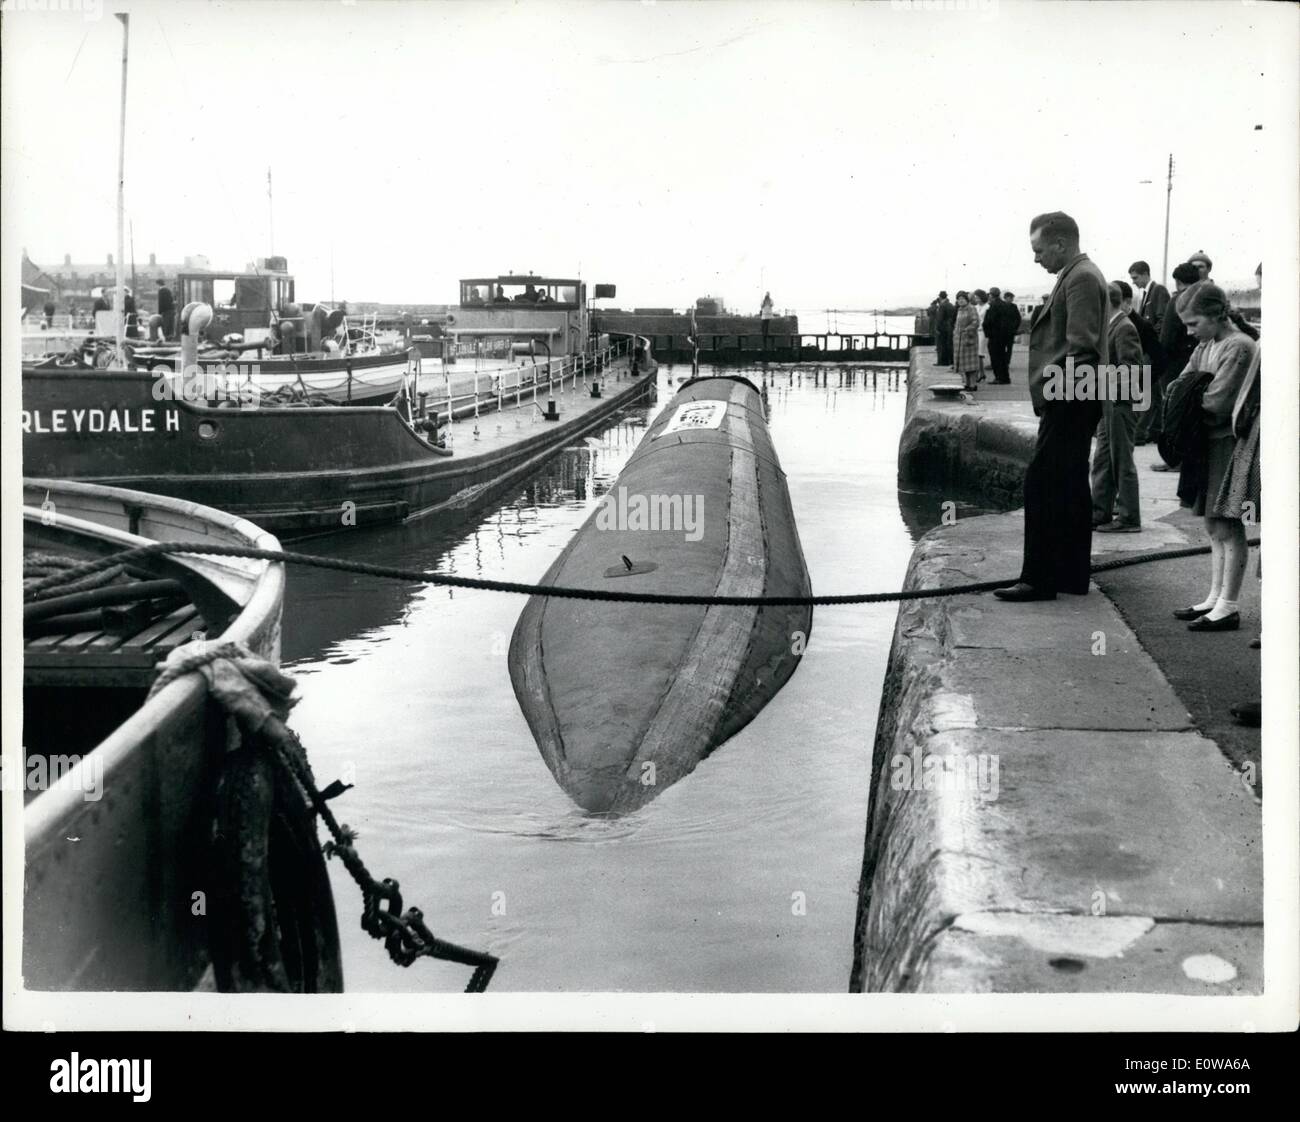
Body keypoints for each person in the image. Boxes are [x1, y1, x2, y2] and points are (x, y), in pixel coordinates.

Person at [994, 211, 1108, 602]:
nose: (1036, 258)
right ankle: (1071, 575)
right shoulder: (1079, 274)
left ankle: (1038, 579)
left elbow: (1082, 347)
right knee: (1072, 482)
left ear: (1061, 243)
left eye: (1039, 250)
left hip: (1071, 394)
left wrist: (1051, 393)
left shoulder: (1079, 277)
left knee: (1042, 482)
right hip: (1078, 393)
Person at [1169, 284, 1258, 631]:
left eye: (1193, 323)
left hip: (1226, 442)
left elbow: (1216, 402)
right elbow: (1181, 385)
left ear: (1216, 315)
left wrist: (1189, 396)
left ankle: (1229, 604)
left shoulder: (1238, 346)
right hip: (1205, 441)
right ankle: (1214, 597)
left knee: (1226, 522)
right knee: (1211, 523)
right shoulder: (1208, 344)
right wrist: (1190, 393)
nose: (1190, 332)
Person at [1090, 281, 1144, 533]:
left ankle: (1129, 517)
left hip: (1120, 404)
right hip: (1108, 403)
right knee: (1102, 458)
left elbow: (1130, 367)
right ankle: (1099, 511)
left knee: (1121, 460)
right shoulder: (1113, 325)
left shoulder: (1123, 328)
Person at [1150, 261, 1205, 469]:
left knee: (1173, 412)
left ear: (1178, 281)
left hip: (1175, 366)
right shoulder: (1202, 298)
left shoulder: (1177, 301)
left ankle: (1172, 459)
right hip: (1196, 363)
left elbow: (1166, 339)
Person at [1128, 259, 1169, 329]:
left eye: (1135, 278)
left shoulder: (1159, 290)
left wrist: (1152, 338)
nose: (1133, 282)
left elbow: (1163, 321)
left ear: (1145, 274)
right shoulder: (1146, 293)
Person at [952, 291, 980, 390]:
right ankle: (968, 384)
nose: (960, 301)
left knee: (971, 365)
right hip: (960, 340)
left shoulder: (971, 308)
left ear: (967, 300)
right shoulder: (960, 309)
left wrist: (966, 330)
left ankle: (973, 384)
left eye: (962, 299)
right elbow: (957, 323)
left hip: (969, 339)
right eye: (958, 299)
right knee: (965, 364)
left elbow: (975, 322)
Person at [933, 290, 955, 366]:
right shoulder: (950, 304)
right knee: (947, 345)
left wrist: (937, 328)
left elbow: (940, 318)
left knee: (941, 345)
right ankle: (949, 361)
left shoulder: (942, 306)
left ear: (940, 297)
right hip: (949, 327)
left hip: (942, 328)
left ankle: (941, 362)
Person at [973, 289, 989, 381]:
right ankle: (981, 373)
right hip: (975, 331)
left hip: (983, 332)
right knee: (977, 353)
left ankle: (979, 373)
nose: (976, 299)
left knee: (980, 353)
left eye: (977, 297)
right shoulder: (975, 307)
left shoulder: (987, 307)